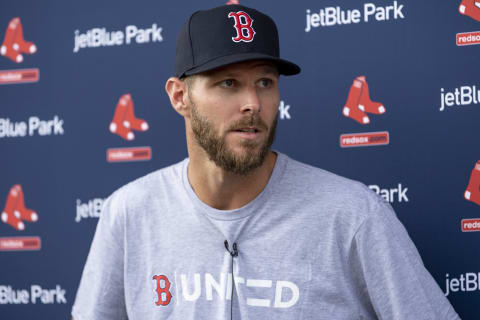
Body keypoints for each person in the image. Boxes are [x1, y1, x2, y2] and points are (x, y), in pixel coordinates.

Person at [72, 4, 460, 320]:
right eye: (228, 83)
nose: (253, 104)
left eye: (265, 83)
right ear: (179, 97)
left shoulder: (353, 215)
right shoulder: (130, 212)